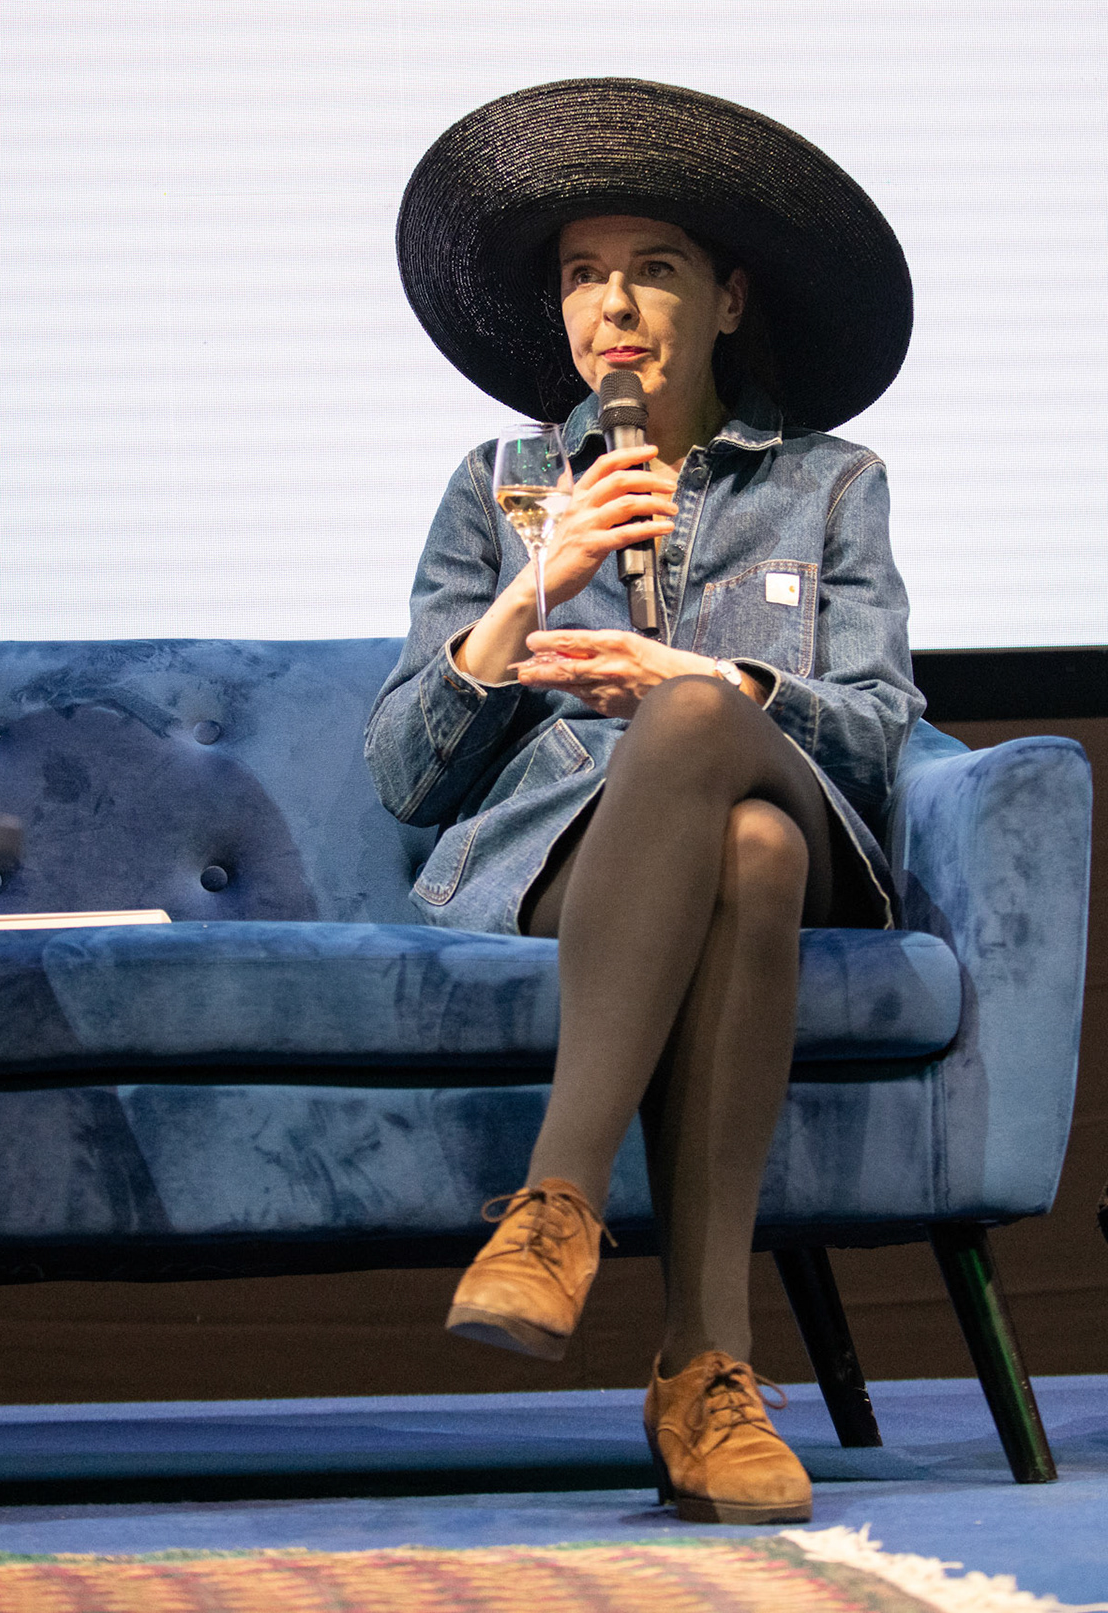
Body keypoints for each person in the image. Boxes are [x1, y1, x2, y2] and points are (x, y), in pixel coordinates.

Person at [369, 77, 923, 1524]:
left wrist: (706, 678)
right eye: (581, 274)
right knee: (738, 852)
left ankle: (555, 1205)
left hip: (798, 816)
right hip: (570, 855)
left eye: (652, 269)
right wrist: (529, 592)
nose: (611, 305)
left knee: (712, 749)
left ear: (728, 300)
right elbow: (404, 776)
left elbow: (873, 733)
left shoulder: (829, 485)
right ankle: (706, 1368)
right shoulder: (500, 484)